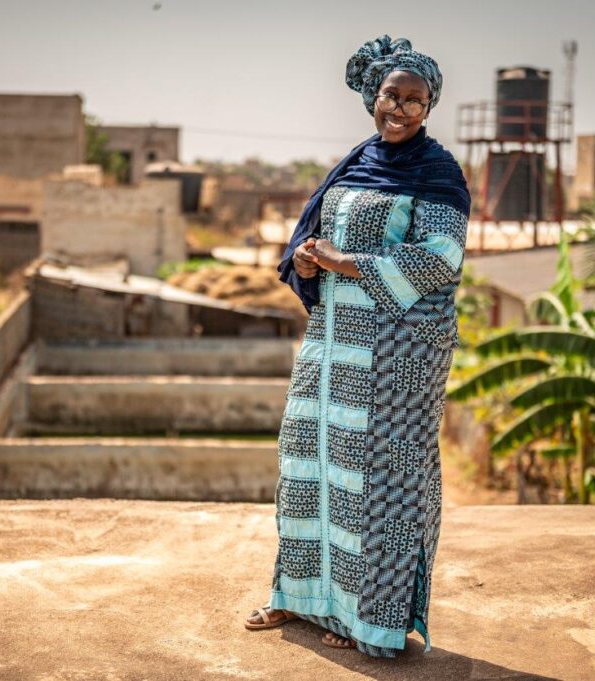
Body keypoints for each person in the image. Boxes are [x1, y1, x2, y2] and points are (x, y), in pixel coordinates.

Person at [243, 35, 471, 657]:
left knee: (374, 482)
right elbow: (313, 236)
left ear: (430, 107)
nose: (400, 109)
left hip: (397, 361)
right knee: (307, 464)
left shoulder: (439, 173)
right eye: (391, 96)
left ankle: (366, 622)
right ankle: (299, 596)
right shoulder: (354, 163)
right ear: (374, 98)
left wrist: (346, 262)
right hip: (332, 344)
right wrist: (310, 264)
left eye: (414, 101)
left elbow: (440, 260)